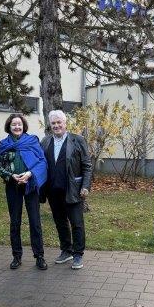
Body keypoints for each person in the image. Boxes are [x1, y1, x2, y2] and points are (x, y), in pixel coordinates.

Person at [40, 110, 92, 270]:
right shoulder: (45, 141)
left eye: (59, 122)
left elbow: (87, 166)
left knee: (77, 223)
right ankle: (66, 250)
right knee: (60, 222)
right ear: (50, 125)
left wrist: (85, 186)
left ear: (65, 123)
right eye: (53, 123)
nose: (56, 125)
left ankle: (78, 254)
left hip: (73, 190)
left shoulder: (78, 140)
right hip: (52, 190)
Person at [0, 113, 48, 270]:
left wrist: (30, 174)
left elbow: (42, 162)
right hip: (13, 186)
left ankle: (39, 256)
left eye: (19, 124)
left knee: (35, 221)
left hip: (30, 185)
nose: (17, 127)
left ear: (24, 126)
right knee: (15, 222)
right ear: (9, 126)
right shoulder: (4, 144)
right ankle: (16, 256)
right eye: (14, 124)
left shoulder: (32, 141)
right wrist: (11, 176)